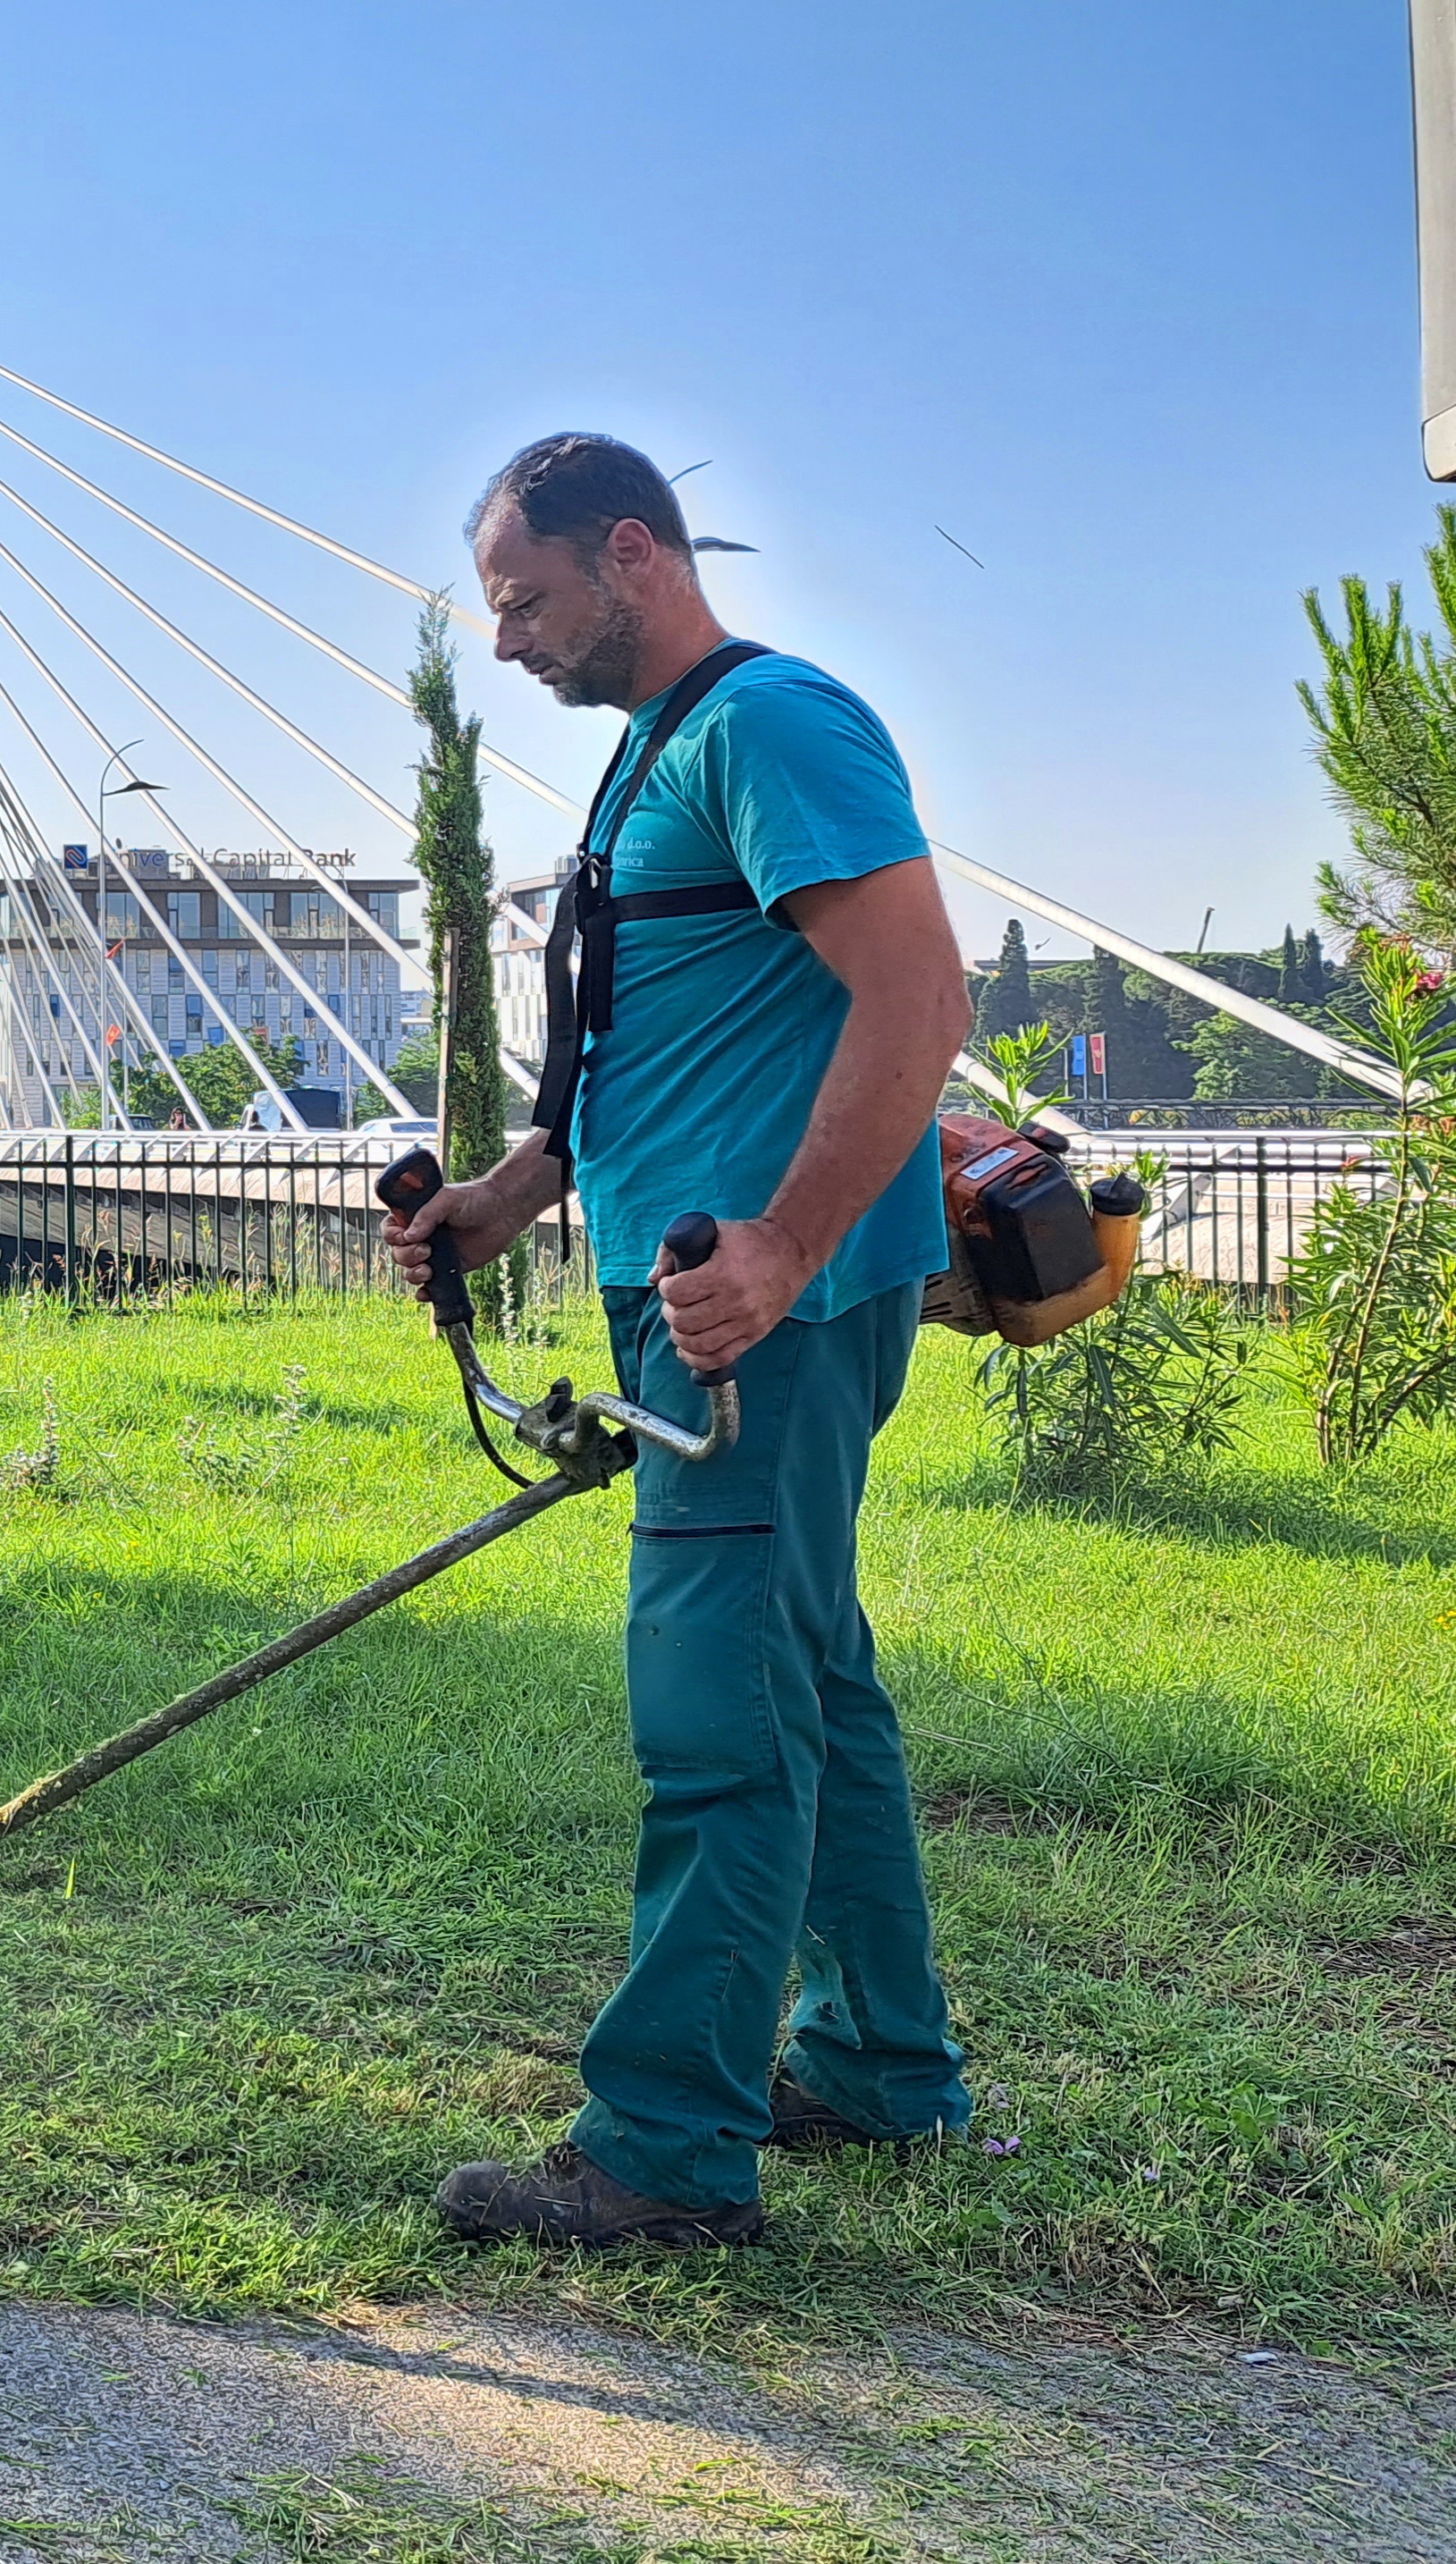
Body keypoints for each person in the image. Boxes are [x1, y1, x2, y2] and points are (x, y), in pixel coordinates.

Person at [384, 432, 976, 2250]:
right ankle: (878, 2061)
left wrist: (791, 1243)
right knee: (811, 1678)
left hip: (753, 1307)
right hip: (712, 1284)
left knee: (716, 1708)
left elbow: (918, 990)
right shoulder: (656, 756)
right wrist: (503, 1193)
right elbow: (655, 1035)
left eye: (521, 598)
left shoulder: (769, 722)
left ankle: (662, 2146)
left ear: (627, 551)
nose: (502, 643)